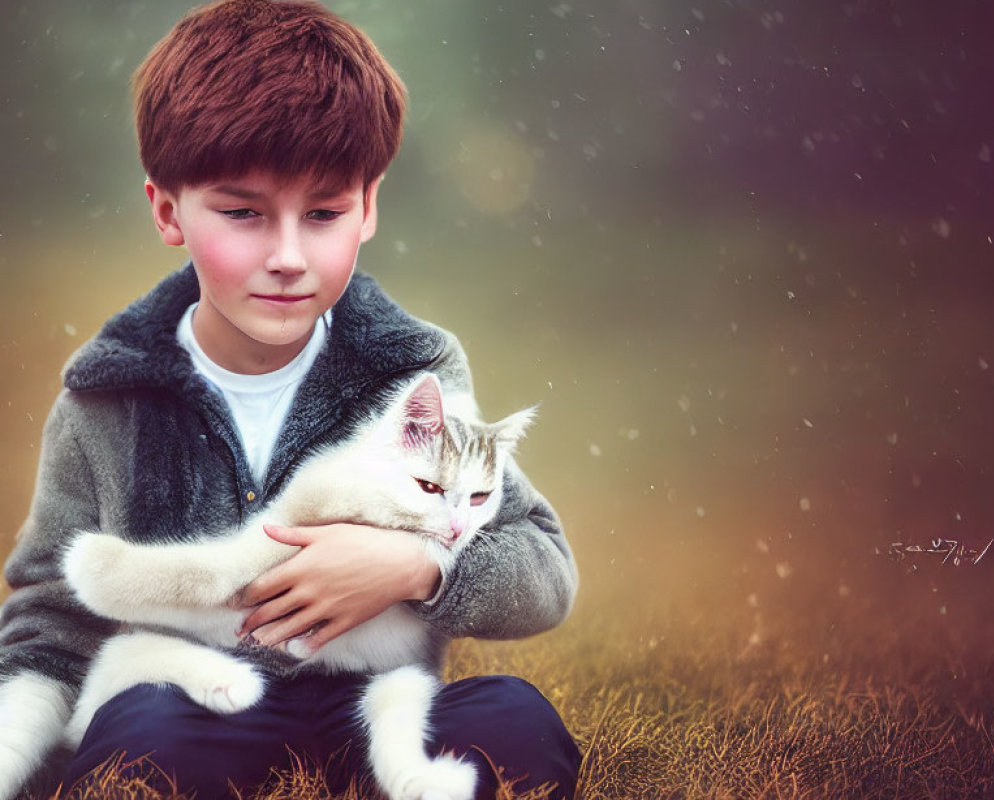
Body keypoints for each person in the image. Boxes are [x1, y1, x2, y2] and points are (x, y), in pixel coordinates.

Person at [0, 1, 580, 798]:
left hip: (378, 706)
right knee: (143, 741)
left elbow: (542, 564)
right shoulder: (107, 397)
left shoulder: (413, 369)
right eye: (242, 213)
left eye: (324, 214)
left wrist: (415, 568)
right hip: (198, 704)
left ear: (369, 207)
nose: (286, 256)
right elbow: (52, 624)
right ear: (168, 210)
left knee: (515, 722)